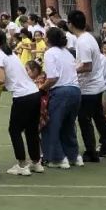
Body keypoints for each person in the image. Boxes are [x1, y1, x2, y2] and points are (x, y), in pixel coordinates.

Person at [0, 31, 43, 176]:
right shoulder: (10, 53)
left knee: (14, 130)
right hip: (34, 93)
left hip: (22, 96)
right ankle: (36, 163)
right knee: (31, 130)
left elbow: (0, 79)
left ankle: (22, 165)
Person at [69, 11, 106, 162]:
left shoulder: (82, 41)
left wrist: (71, 69)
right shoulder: (89, 37)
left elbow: (87, 66)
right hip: (96, 84)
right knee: (98, 116)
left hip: (89, 86)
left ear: (70, 24)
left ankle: (91, 151)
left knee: (84, 118)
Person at [42, 26, 81, 169]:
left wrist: (41, 89)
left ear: (49, 39)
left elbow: (52, 77)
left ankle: (58, 158)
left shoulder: (50, 53)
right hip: (75, 91)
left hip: (60, 91)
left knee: (52, 125)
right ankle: (74, 156)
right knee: (69, 125)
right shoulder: (67, 53)